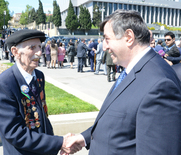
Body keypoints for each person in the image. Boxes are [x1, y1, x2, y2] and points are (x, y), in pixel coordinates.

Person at [63, 10, 181, 155]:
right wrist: (85, 138)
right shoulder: (132, 69)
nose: (104, 47)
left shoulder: (159, 85)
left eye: (107, 39)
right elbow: (123, 121)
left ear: (129, 37)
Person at [0, 30, 81, 155]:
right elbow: (15, 133)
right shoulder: (3, 84)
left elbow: (42, 116)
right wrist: (59, 143)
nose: (39, 52)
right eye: (32, 48)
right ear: (15, 52)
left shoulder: (39, 76)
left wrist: (55, 145)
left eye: (40, 46)